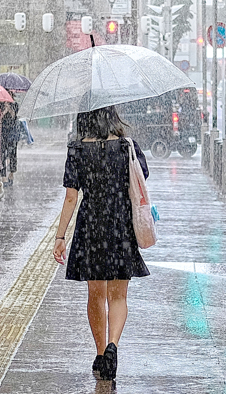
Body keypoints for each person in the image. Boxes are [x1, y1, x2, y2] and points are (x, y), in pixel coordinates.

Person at [52, 105, 150, 381]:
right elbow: (141, 179)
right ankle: (112, 347)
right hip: (120, 223)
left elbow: (71, 197)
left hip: (91, 224)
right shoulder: (126, 147)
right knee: (118, 295)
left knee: (95, 294)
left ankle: (99, 354)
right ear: (112, 115)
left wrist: (60, 238)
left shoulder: (77, 149)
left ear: (83, 118)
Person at [0, 96, 21, 186]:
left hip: (12, 133)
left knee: (12, 154)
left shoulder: (15, 104)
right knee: (1, 154)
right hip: (2, 132)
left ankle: (11, 173)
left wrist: (10, 110)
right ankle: (3, 176)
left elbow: (15, 117)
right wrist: (4, 111)